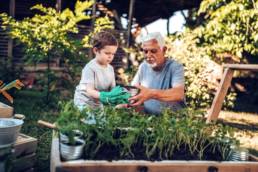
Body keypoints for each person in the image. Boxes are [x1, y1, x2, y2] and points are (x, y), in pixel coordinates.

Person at [129, 32, 186, 115]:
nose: (148, 55)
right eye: (145, 51)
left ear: (164, 50)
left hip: (174, 121)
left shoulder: (175, 67)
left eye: (153, 51)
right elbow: (132, 90)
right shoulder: (143, 67)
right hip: (150, 120)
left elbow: (178, 93)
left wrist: (150, 94)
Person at [74, 31, 129, 110]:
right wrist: (104, 96)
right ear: (96, 50)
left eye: (113, 54)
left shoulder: (110, 69)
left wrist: (119, 99)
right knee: (89, 121)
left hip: (98, 101)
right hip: (84, 101)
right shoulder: (90, 68)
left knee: (101, 122)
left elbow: (113, 90)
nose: (110, 57)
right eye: (107, 53)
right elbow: (90, 91)